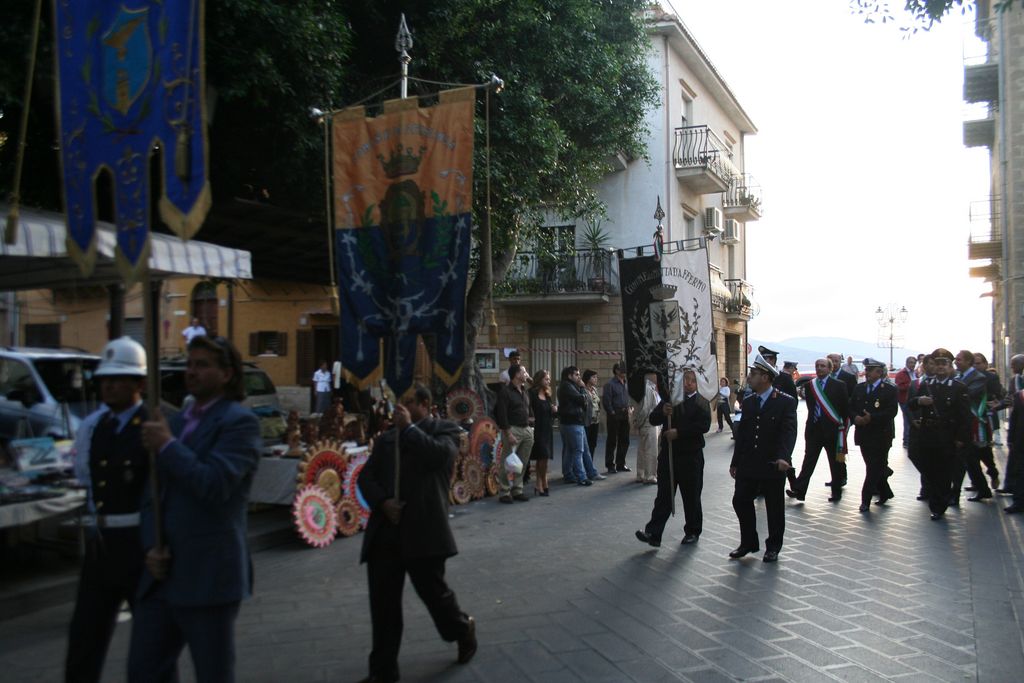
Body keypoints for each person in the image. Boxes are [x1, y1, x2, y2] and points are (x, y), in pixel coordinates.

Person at [131, 335, 262, 682]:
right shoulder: (173, 423)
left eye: (202, 365)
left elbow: (215, 484)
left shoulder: (240, 423)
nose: (191, 372)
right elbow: (151, 494)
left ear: (227, 374)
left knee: (212, 672)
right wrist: (150, 545)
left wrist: (167, 446)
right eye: (189, 364)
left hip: (208, 573)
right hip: (161, 574)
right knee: (144, 670)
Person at [355, 383, 477, 683]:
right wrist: (383, 502)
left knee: (435, 596)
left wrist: (409, 429)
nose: (401, 407)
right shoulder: (387, 438)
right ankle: (382, 670)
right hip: (386, 533)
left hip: (424, 530)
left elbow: (439, 457)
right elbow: (366, 477)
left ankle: (462, 628)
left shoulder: (443, 430)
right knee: (383, 605)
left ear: (423, 404)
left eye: (408, 402)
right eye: (399, 401)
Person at [66, 338, 150, 683]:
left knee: (150, 646)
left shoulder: (152, 425)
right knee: (85, 637)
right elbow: (84, 476)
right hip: (101, 543)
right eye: (105, 379)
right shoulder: (96, 425)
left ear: (139, 383)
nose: (109, 385)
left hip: (138, 543)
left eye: (118, 379)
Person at [729, 355, 797, 562]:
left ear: (765, 378)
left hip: (772, 463)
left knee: (774, 506)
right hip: (749, 462)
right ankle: (748, 542)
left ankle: (773, 546)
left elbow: (788, 432)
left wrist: (784, 457)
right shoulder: (749, 401)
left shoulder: (785, 402)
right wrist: (735, 462)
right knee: (740, 500)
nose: (750, 377)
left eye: (754, 374)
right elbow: (743, 435)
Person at [635, 369, 712, 548]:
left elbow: (704, 425)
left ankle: (692, 531)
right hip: (669, 455)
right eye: (685, 379)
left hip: (690, 456)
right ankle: (653, 533)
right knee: (664, 495)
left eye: (692, 380)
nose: (688, 383)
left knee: (691, 496)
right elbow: (653, 419)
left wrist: (679, 432)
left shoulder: (701, 401)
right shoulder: (670, 399)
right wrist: (663, 412)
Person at [909, 349, 970, 520]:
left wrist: (960, 438)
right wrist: (919, 401)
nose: (941, 367)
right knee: (928, 468)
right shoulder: (927, 385)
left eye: (944, 364)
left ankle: (938, 506)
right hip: (927, 434)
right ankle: (938, 496)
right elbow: (911, 404)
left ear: (950, 367)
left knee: (943, 471)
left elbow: (965, 416)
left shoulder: (958, 387)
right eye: (938, 364)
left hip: (946, 435)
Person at [787, 358, 849, 504]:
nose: (819, 368)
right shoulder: (810, 386)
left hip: (832, 430)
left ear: (829, 369)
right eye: (817, 366)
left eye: (823, 366)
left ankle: (836, 491)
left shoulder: (839, 385)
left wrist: (842, 428)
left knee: (834, 463)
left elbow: (844, 408)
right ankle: (799, 490)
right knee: (809, 461)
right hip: (814, 430)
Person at [850, 357, 899, 513]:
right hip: (864, 434)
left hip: (881, 435)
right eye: (867, 370)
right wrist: (855, 418)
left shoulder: (889, 389)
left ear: (879, 372)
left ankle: (865, 500)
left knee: (872, 468)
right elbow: (851, 407)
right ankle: (885, 490)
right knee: (874, 466)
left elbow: (892, 411)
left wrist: (872, 418)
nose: (867, 373)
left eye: (870, 371)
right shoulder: (859, 388)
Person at [953, 349, 994, 502]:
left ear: (968, 362)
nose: (956, 362)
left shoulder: (978, 377)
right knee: (969, 460)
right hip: (961, 423)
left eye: (959, 359)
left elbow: (968, 395)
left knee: (970, 459)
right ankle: (983, 489)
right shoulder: (957, 377)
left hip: (973, 424)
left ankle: (959, 493)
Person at [494, 364, 534, 503]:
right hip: (512, 429)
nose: (526, 374)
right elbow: (501, 414)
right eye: (524, 371)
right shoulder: (505, 392)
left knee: (522, 462)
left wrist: (531, 423)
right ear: (517, 374)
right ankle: (504, 492)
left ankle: (517, 490)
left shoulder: (524, 390)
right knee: (507, 461)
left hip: (526, 429)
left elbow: (528, 409)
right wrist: (508, 433)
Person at [558, 366, 601, 486]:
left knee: (577, 450)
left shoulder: (570, 386)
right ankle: (581, 476)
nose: (579, 377)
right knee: (578, 450)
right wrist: (582, 388)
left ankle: (586, 472)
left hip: (574, 421)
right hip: (572, 422)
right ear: (569, 376)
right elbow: (582, 400)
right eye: (576, 375)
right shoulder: (568, 386)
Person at [999, 354, 1024, 499]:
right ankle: (1010, 485)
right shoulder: (1014, 380)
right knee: (1014, 456)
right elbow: (1009, 399)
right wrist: (997, 407)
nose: (1012, 367)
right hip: (1017, 422)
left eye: (1015, 364)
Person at [529, 370, 556, 496]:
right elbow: (528, 409)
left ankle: (539, 483)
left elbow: (550, 413)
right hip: (537, 429)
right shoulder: (531, 393)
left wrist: (554, 410)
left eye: (549, 379)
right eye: (546, 379)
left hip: (547, 429)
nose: (548, 381)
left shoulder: (547, 394)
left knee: (544, 458)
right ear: (539, 380)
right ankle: (543, 483)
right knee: (541, 456)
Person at [601, 362, 632, 474]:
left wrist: (630, 408)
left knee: (625, 440)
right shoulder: (610, 384)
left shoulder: (626, 383)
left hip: (625, 414)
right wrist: (612, 413)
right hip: (615, 414)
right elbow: (606, 401)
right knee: (612, 440)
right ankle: (610, 465)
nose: (625, 371)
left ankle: (620, 464)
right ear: (617, 370)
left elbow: (629, 398)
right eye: (622, 369)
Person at [633, 371, 662, 484]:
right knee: (651, 451)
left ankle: (640, 474)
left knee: (642, 450)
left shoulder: (650, 387)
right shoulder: (647, 388)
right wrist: (638, 423)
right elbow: (645, 409)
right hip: (649, 423)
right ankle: (650, 475)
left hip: (650, 423)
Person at [894, 355, 917, 448]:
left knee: (912, 419)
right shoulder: (901, 374)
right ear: (907, 363)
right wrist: (911, 385)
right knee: (907, 420)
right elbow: (899, 387)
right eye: (911, 362)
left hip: (913, 399)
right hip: (904, 400)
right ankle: (906, 441)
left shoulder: (915, 373)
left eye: (914, 363)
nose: (913, 365)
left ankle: (911, 439)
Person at [583, 370, 602, 460]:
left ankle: (590, 462)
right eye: (593, 377)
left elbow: (597, 402)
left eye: (596, 377)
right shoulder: (583, 390)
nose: (596, 379)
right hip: (587, 420)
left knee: (593, 444)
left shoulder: (595, 389)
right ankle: (585, 464)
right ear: (588, 378)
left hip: (595, 421)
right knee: (586, 444)